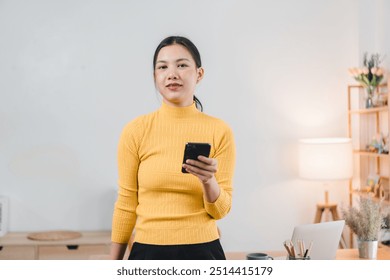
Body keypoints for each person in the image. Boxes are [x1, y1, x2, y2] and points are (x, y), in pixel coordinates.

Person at [110, 36, 236, 260]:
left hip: (203, 251)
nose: (172, 74)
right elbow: (126, 204)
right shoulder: (136, 130)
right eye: (163, 67)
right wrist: (113, 266)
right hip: (148, 251)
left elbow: (221, 210)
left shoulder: (220, 130)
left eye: (182, 65)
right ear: (155, 76)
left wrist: (209, 181)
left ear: (199, 74)